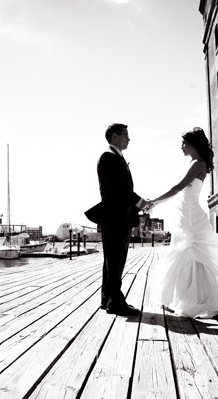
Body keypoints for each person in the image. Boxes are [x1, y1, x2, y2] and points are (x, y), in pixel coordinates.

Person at [147, 127, 218, 318]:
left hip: (190, 214)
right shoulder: (195, 163)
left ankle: (193, 300)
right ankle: (189, 298)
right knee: (186, 253)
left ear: (193, 144)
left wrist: (153, 201)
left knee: (189, 252)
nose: (181, 147)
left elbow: (178, 188)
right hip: (185, 213)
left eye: (184, 143)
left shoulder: (197, 164)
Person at [85, 123, 148, 316]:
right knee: (115, 260)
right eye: (125, 135)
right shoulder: (108, 157)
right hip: (115, 217)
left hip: (119, 217)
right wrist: (140, 202)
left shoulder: (116, 157)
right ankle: (116, 302)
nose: (129, 139)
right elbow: (120, 191)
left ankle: (107, 299)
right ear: (114, 136)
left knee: (112, 261)